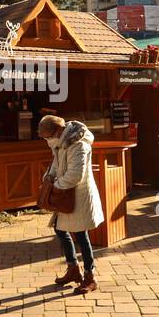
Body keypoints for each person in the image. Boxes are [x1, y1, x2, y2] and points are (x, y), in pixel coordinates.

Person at [39, 115, 104, 295]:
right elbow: (56, 164)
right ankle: (73, 269)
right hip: (65, 195)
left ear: (58, 132)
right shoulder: (61, 141)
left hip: (78, 196)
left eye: (48, 137)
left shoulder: (79, 145)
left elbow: (75, 175)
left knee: (81, 234)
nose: (47, 141)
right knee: (60, 229)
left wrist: (54, 188)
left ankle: (90, 276)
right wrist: (48, 178)